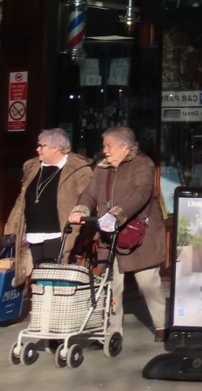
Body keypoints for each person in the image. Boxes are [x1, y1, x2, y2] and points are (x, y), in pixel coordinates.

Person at [69, 126, 167, 341]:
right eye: (104, 146)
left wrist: (117, 214)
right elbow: (90, 193)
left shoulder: (143, 164)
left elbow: (141, 193)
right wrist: (80, 209)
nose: (105, 150)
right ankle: (112, 330)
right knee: (112, 284)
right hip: (109, 235)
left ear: (124, 147)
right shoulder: (102, 168)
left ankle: (162, 324)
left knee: (147, 283)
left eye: (109, 146)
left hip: (140, 234)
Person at [3, 128, 92, 287]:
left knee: (55, 276)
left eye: (41, 145)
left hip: (59, 232)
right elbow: (21, 201)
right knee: (38, 275)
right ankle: (42, 308)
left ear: (56, 148)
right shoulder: (32, 167)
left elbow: (87, 198)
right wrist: (11, 229)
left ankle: (53, 310)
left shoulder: (79, 169)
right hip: (33, 232)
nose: (37, 149)